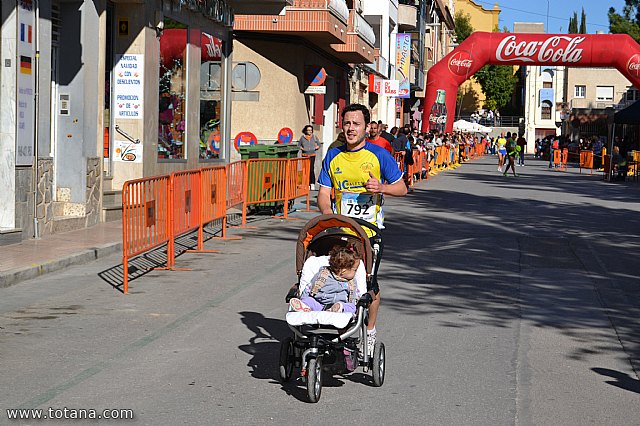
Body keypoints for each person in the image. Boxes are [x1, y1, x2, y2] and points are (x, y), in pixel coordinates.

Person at [317, 103, 407, 352]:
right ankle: (339, 325)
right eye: (347, 123)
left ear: (367, 127)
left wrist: (382, 188)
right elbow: (324, 194)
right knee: (338, 279)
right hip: (341, 230)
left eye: (356, 124)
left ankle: (369, 331)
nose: (350, 128)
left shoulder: (379, 155)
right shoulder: (333, 155)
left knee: (368, 285)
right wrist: (328, 216)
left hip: (369, 233)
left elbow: (402, 188)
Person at [289, 244, 365, 313]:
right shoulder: (323, 275)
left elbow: (355, 295)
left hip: (341, 304)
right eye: (354, 270)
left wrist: (357, 300)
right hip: (320, 305)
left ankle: (337, 308)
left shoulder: (351, 283)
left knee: (351, 307)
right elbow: (309, 287)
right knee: (309, 300)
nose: (356, 272)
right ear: (343, 271)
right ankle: (304, 306)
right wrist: (304, 298)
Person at [298, 125, 321, 189]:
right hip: (304, 155)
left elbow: (319, 144)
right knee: (305, 170)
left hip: (312, 155)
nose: (309, 131)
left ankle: (312, 183)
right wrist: (303, 149)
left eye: (311, 130)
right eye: (308, 130)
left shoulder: (314, 137)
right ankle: (306, 184)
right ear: (305, 131)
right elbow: (298, 145)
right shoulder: (302, 137)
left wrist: (316, 148)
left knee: (311, 169)